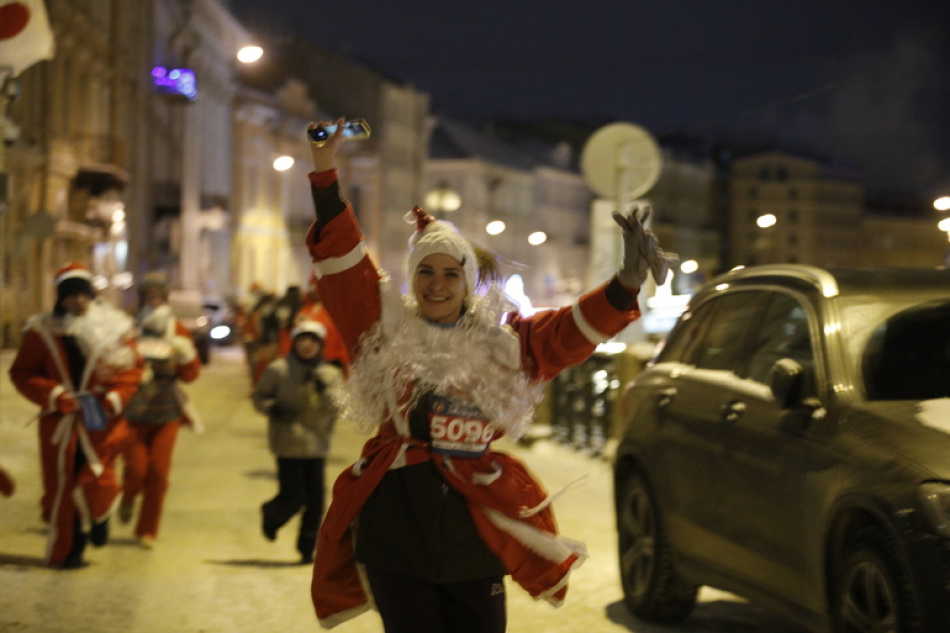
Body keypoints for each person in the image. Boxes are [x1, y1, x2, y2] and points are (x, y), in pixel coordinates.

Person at [303, 119, 676, 632]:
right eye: (426, 273)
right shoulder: (382, 329)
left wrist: (626, 282)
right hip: (396, 516)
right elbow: (343, 264)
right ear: (412, 279)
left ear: (467, 282)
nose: (437, 285)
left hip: (475, 518)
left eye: (450, 273)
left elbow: (568, 333)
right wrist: (324, 170)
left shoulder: (505, 345)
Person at [8, 262, 143, 569]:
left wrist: (113, 398)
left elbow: (133, 369)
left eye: (82, 294)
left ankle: (100, 515)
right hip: (62, 424)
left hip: (102, 421)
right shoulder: (43, 332)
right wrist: (55, 395)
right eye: (70, 296)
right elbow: (22, 373)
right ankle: (70, 549)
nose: (77, 301)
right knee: (62, 489)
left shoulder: (115, 328)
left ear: (91, 295)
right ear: (60, 299)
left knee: (101, 479)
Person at [118, 272, 203, 548]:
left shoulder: (177, 330)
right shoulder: (127, 329)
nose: (154, 301)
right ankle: (128, 497)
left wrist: (183, 356)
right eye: (149, 296)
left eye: (159, 296)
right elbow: (114, 366)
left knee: (158, 473)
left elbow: (191, 374)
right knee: (135, 470)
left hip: (166, 411)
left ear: (166, 299)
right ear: (141, 299)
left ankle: (148, 530)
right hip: (133, 412)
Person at [252, 319, 344, 564]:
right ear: (294, 343)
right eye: (302, 340)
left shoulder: (330, 374)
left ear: (320, 345)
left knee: (316, 500)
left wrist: (326, 390)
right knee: (294, 497)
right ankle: (272, 514)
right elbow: (259, 396)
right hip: (288, 443)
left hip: (317, 444)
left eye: (312, 341)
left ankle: (307, 546)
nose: (307, 345)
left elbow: (339, 408)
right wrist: (274, 408)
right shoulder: (279, 370)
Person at [294, 274, 350, 374]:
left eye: (317, 284)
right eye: (312, 284)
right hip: (308, 362)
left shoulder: (337, 309)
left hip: (333, 360)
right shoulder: (305, 310)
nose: (314, 287)